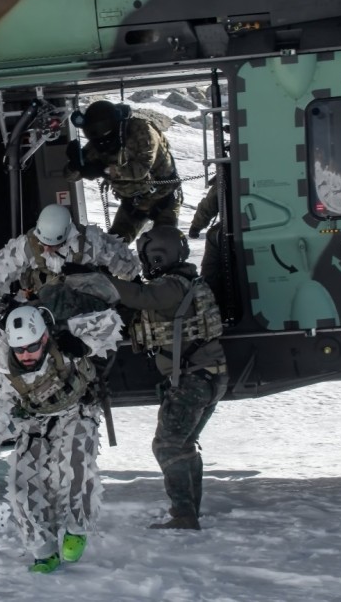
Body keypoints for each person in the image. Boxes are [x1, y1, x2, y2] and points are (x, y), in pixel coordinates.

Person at [72, 226, 227, 530]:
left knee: (167, 446)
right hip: (207, 377)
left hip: (194, 379)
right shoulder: (184, 282)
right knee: (182, 443)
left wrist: (93, 279)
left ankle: (184, 515)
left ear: (157, 256)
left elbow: (140, 296)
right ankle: (189, 510)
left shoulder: (170, 288)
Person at [0, 304, 123, 573]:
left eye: (32, 347)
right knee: (22, 485)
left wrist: (82, 344)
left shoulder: (62, 339)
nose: (25, 355)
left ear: (44, 338)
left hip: (76, 412)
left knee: (74, 465)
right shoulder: (2, 371)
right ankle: (43, 551)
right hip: (35, 423)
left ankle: (76, 528)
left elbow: (110, 321)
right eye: (19, 349)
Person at [0, 203, 140, 344]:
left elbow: (126, 263)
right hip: (43, 309)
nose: (45, 248)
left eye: (52, 245)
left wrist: (132, 290)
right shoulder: (28, 246)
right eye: (43, 242)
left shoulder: (92, 243)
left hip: (84, 310)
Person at [64, 100, 181, 242]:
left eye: (105, 136)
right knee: (114, 247)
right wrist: (77, 165)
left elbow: (141, 170)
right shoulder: (98, 144)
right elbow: (70, 176)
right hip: (134, 203)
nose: (103, 143)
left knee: (166, 244)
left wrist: (104, 170)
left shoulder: (141, 131)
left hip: (164, 197)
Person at [187, 174, 225, 308]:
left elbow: (210, 202)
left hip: (237, 225)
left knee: (214, 237)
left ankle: (211, 300)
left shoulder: (234, 167)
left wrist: (196, 226)